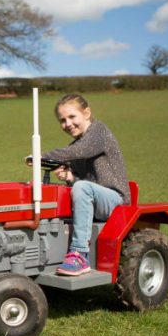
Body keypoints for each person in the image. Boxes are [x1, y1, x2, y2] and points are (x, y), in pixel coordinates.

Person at [39, 93, 129, 276]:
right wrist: (69, 176)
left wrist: (44, 156)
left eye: (72, 117)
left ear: (86, 113)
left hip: (115, 201)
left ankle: (80, 254)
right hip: (96, 199)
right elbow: (83, 182)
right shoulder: (77, 145)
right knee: (62, 190)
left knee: (81, 188)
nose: (68, 123)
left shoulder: (99, 132)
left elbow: (80, 151)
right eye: (62, 120)